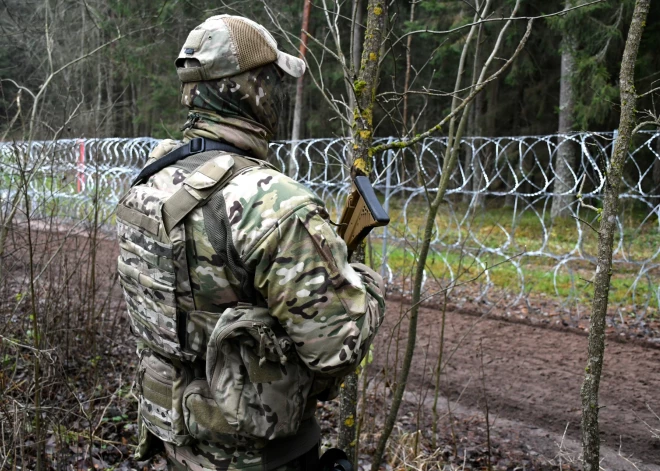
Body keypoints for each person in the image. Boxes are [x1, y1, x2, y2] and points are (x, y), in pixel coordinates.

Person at [115, 14, 386, 471]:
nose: (278, 96)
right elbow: (338, 345)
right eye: (273, 82)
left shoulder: (154, 179)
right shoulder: (272, 200)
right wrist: (363, 281)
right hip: (261, 457)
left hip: (176, 441)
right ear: (250, 90)